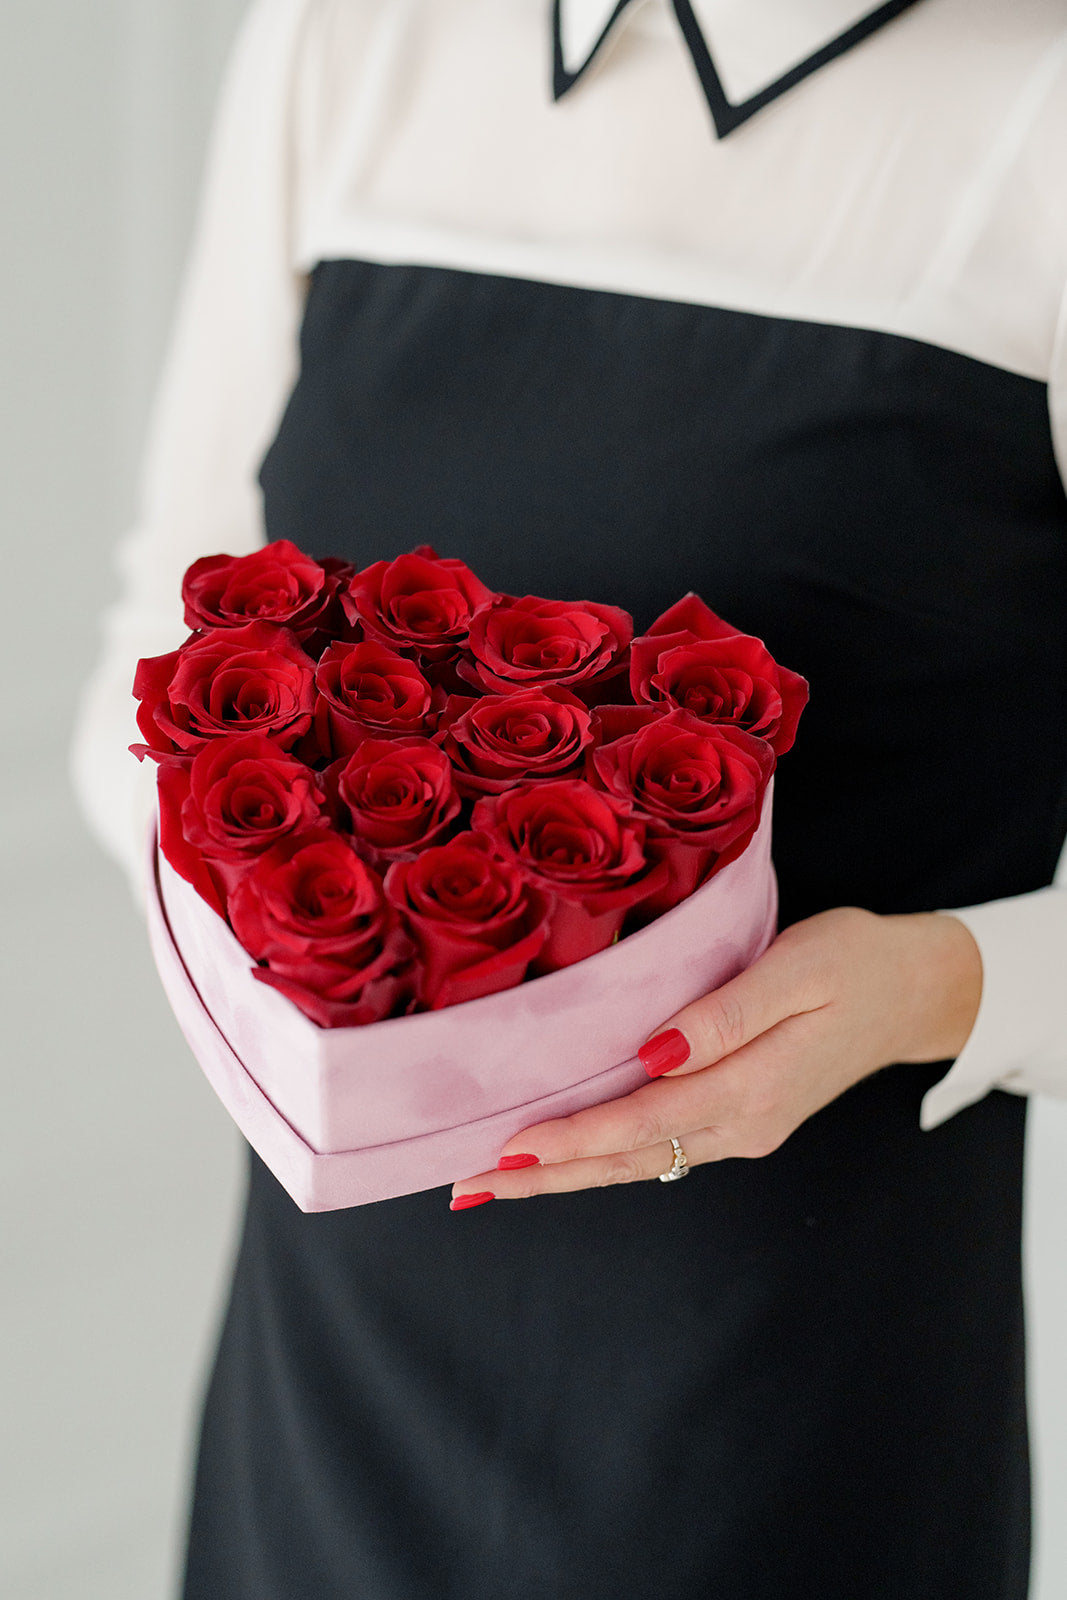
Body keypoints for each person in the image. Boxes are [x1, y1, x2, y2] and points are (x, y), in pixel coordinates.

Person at [73, 1, 1067, 1595]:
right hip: (339, 1373)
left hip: (785, 1388)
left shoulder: (1043, 112)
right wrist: (269, 989)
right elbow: (153, 633)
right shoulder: (352, 38)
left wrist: (936, 988)